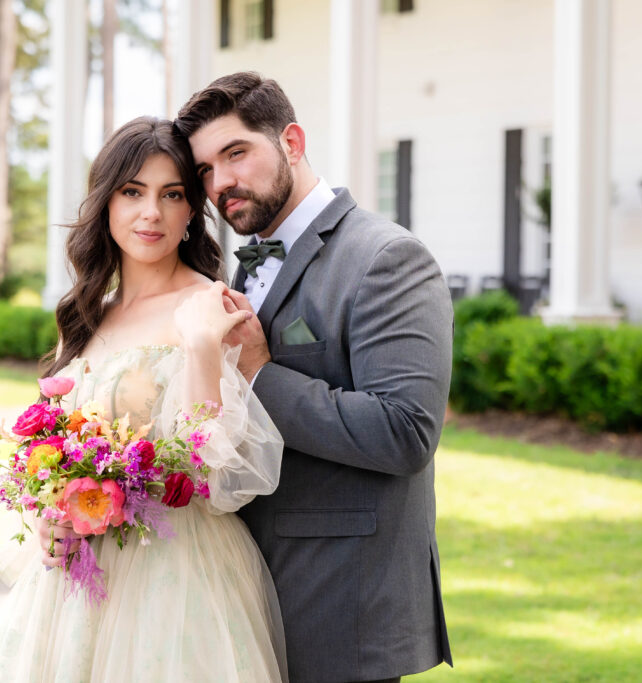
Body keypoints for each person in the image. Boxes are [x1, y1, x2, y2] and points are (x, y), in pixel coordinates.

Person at [0, 117, 288, 682]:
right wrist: (48, 513)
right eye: (132, 192)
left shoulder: (211, 305)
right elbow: (52, 444)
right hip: (76, 579)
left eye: (172, 195)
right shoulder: (86, 316)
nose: (151, 214)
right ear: (106, 203)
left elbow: (215, 476)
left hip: (176, 572)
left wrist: (204, 348)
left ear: (192, 212)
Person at [175, 72, 454, 683]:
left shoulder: (385, 258)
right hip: (242, 595)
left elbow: (405, 432)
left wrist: (259, 372)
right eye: (204, 171)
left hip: (341, 609)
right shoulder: (235, 272)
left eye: (236, 153)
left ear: (293, 143)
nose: (221, 182)